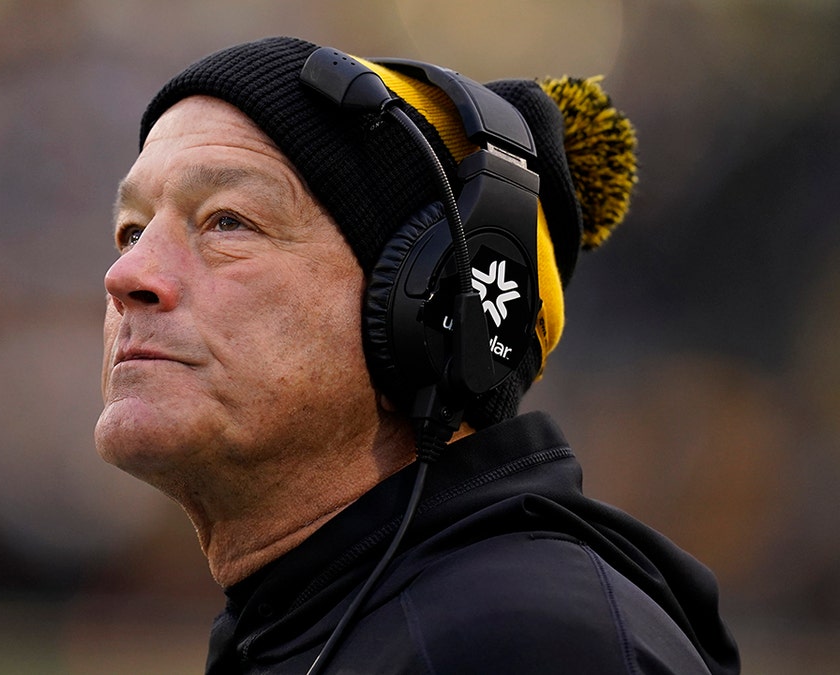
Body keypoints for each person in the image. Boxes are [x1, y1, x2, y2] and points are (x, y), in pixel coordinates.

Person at [94, 36, 740, 674]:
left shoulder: (518, 641)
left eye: (227, 221)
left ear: (433, 308)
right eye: (131, 230)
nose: (127, 274)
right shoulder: (321, 621)